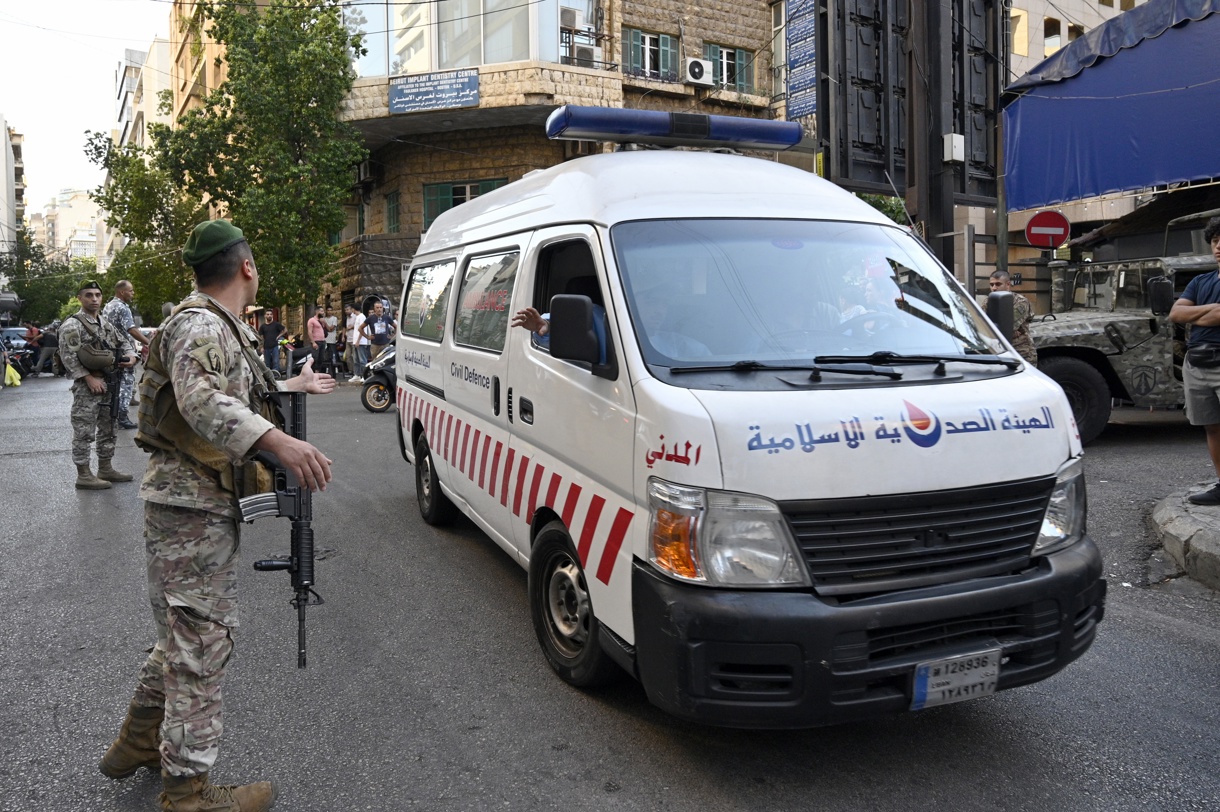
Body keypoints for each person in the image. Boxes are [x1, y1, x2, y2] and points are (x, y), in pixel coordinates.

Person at [97, 219, 335, 811]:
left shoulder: (211, 326)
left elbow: (217, 390)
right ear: (247, 267)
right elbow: (202, 400)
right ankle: (189, 795)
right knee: (202, 645)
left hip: (186, 504)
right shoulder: (203, 324)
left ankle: (136, 744)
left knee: (180, 638)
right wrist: (278, 443)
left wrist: (287, 384)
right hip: (192, 508)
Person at [58, 280, 136, 489]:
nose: (94, 299)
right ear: (80, 298)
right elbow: (68, 357)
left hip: (110, 382)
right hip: (87, 387)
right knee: (84, 429)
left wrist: (131, 355)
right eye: (89, 295)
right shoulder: (73, 324)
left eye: (97, 295)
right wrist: (88, 378)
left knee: (109, 426)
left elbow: (124, 340)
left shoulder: (104, 322)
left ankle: (105, 467)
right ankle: (83, 474)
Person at [1170, 216, 1220, 506]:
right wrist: (1212, 308)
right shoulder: (1202, 281)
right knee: (1212, 426)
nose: (1218, 246)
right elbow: (1176, 314)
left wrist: (1200, 313)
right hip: (1197, 363)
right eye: (1215, 241)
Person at [102, 280, 152, 429]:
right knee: (126, 385)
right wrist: (149, 343)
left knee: (115, 384)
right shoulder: (122, 308)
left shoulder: (109, 305)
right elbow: (131, 329)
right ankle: (122, 417)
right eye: (131, 291)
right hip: (124, 351)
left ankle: (113, 416)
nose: (133, 293)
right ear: (122, 292)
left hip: (111, 351)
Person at [989, 270, 1037, 367]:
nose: (994, 288)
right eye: (992, 284)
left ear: (1008, 284)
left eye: (998, 284)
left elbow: (1007, 327)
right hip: (999, 351)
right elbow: (981, 325)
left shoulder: (1020, 301)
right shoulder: (989, 301)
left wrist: (1005, 329)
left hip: (1021, 353)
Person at [306, 305, 327, 370]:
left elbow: (326, 329)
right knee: (315, 357)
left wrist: (324, 322)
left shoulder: (322, 320)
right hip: (316, 341)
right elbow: (309, 332)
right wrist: (313, 342)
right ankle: (313, 372)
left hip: (322, 341)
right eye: (321, 311)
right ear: (317, 312)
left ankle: (318, 372)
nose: (323, 312)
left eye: (323, 311)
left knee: (321, 358)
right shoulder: (312, 320)